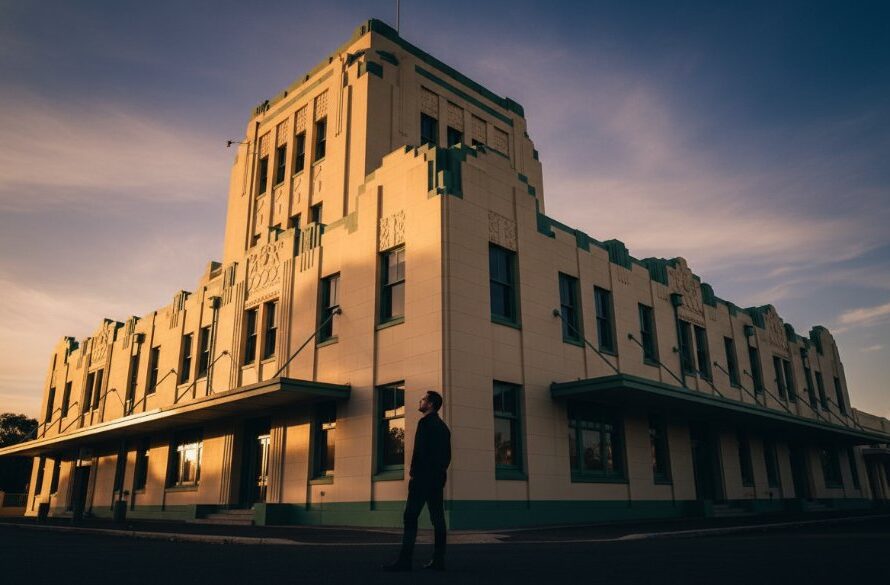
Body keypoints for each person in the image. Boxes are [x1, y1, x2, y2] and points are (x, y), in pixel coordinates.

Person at [383, 390, 451, 572]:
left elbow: (419, 452)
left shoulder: (425, 423)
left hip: (422, 480)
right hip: (436, 481)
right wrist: (439, 475)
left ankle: (405, 561)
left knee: (410, 517)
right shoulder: (444, 428)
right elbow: (447, 457)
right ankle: (438, 561)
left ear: (430, 404)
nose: (420, 401)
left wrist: (414, 474)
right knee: (438, 519)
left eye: (423, 399)